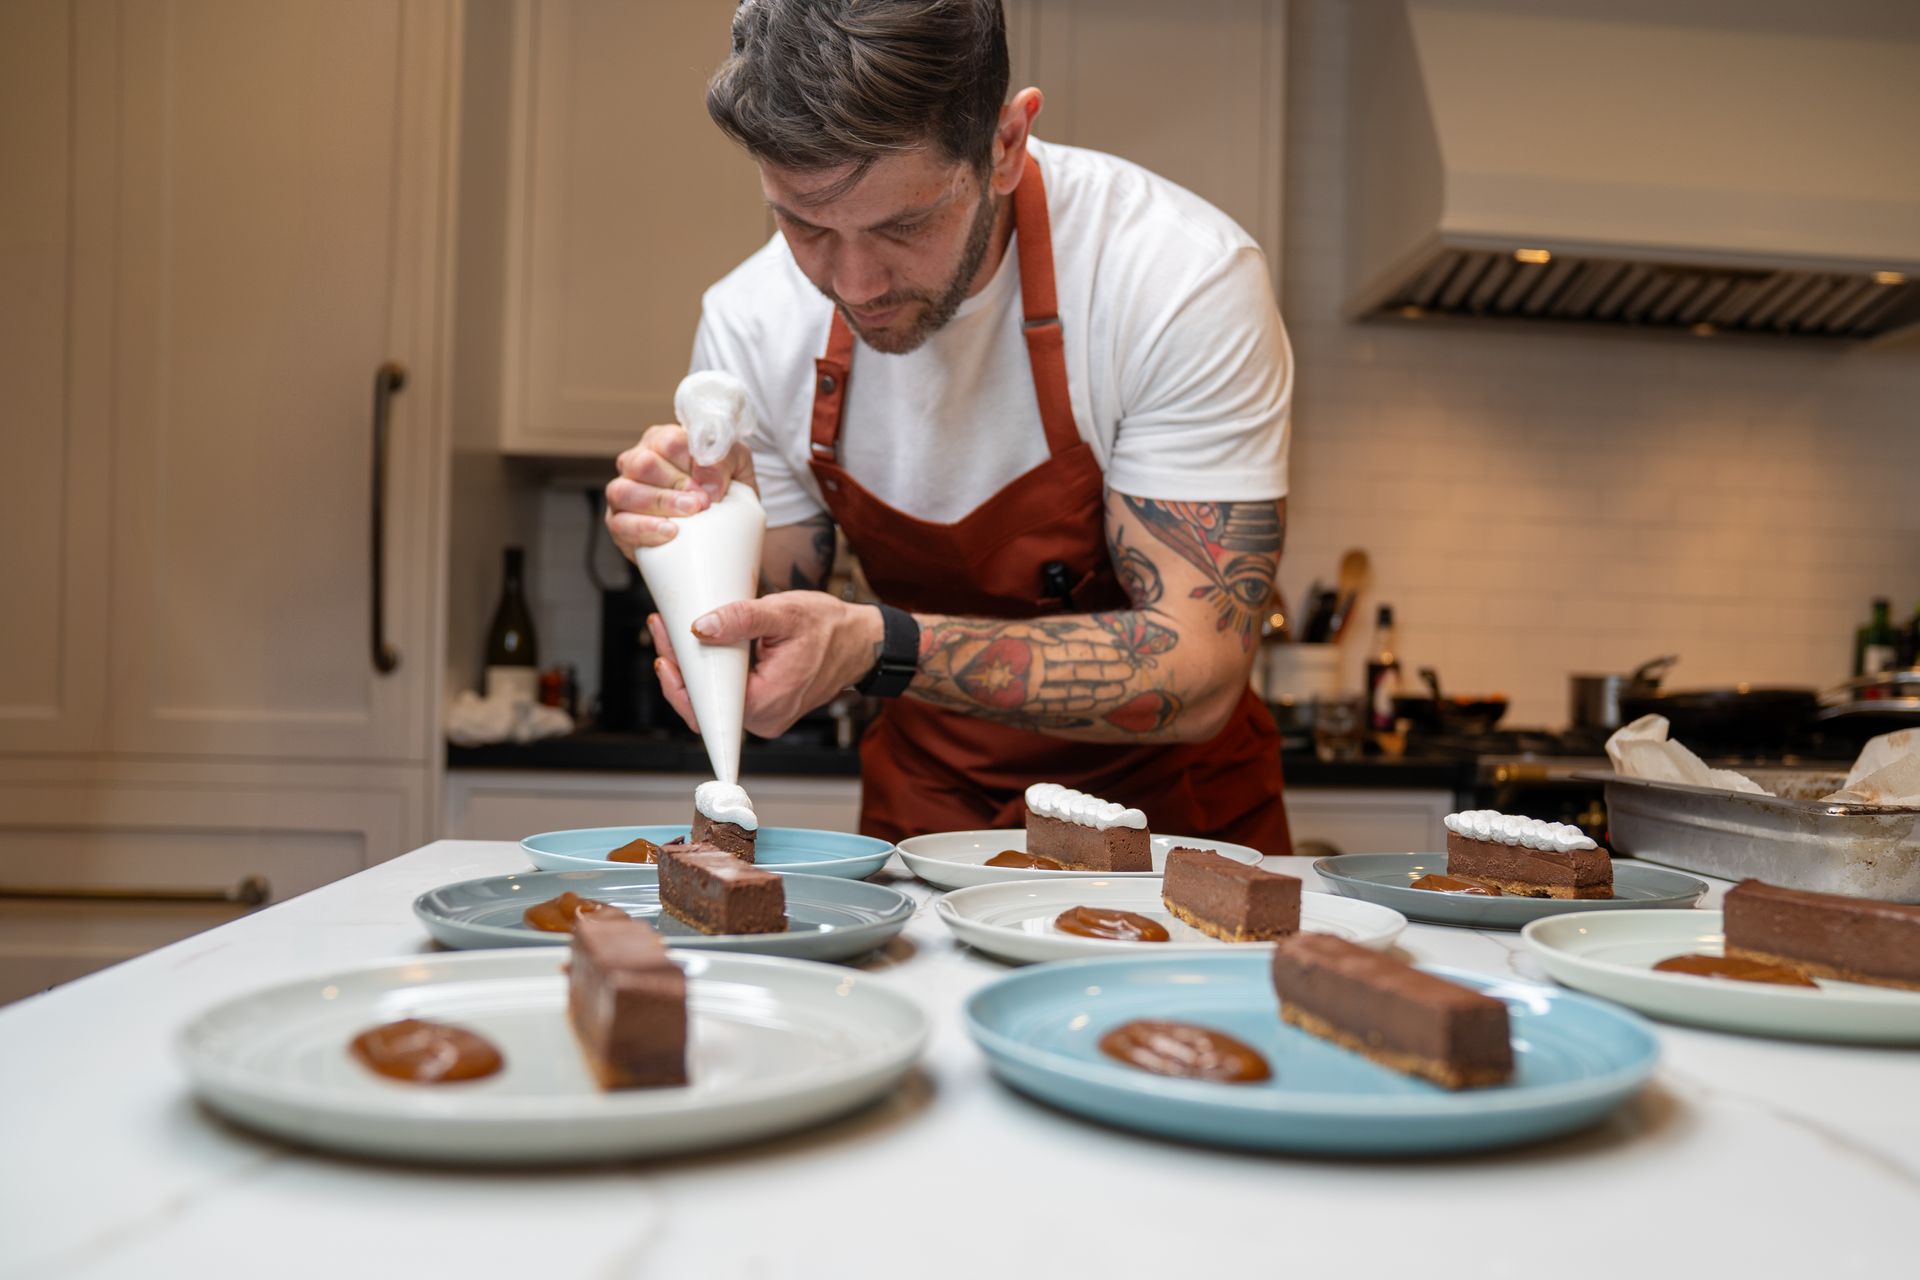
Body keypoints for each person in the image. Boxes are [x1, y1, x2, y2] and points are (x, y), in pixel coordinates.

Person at [605, 0, 1293, 848]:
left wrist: (877, 646)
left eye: (905, 223)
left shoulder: (1175, 280)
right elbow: (777, 628)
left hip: (1175, 824)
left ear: (1006, 145)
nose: (854, 283)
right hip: (926, 811)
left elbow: (1200, 671)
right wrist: (704, 541)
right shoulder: (750, 321)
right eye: (804, 223)